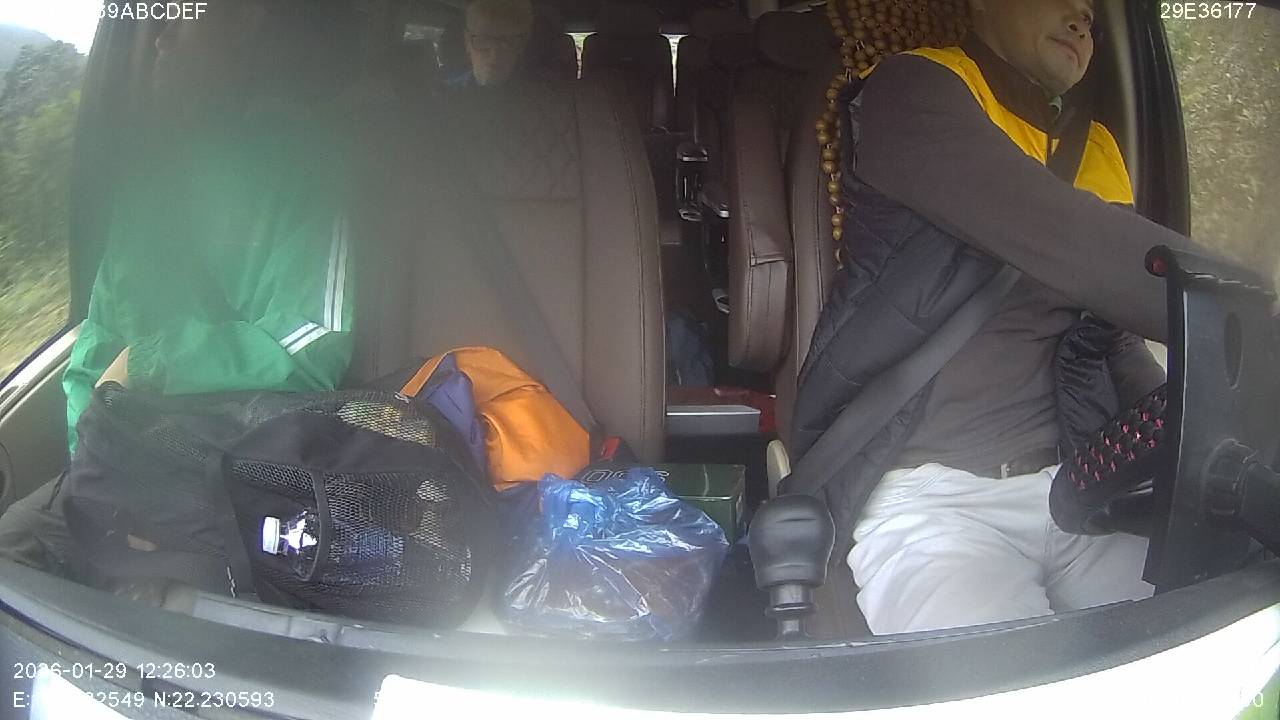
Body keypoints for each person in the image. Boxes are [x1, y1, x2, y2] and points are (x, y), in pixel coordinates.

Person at [790, 0, 1213, 635]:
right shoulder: (912, 89)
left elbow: (1113, 337)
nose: (1082, 20)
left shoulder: (1098, 147)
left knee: (1202, 634)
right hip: (935, 501)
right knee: (1009, 676)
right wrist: (1251, 308)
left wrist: (1194, 432)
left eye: (1092, 17)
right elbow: (1066, 235)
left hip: (1078, 487)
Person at [0, 1, 359, 578]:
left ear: (243, 24)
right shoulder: (145, 179)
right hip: (128, 463)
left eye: (178, 19)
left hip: (241, 462)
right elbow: (96, 344)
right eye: (151, 23)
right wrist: (96, 475)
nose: (157, 37)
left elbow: (312, 348)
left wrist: (153, 363)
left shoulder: (307, 168)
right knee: (12, 549)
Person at [449, 0, 535, 87]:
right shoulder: (447, 90)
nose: (495, 54)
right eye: (484, 39)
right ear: (467, 41)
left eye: (507, 41)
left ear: (522, 44)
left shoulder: (537, 91)